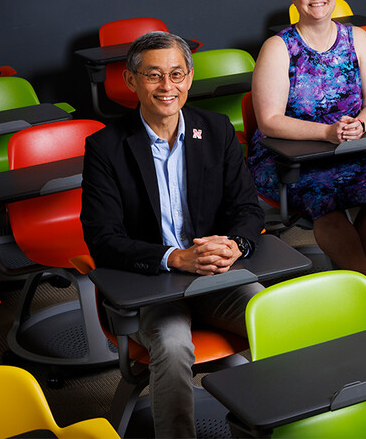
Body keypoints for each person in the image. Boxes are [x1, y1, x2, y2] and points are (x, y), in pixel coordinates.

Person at [80, 31, 264, 438]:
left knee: (273, 316)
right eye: (154, 76)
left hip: (217, 278)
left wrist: (235, 244)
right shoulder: (105, 147)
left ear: (190, 77)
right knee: (174, 345)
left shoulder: (215, 130)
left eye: (176, 74)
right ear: (131, 81)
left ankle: (274, 423)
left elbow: (248, 210)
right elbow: (102, 237)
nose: (167, 87)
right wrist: (173, 257)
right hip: (150, 285)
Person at [247, 0, 366, 312]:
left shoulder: (357, 38)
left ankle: (356, 291)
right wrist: (327, 131)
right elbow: (269, 120)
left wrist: (359, 124)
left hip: (346, 145)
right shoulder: (279, 47)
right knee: (325, 203)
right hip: (287, 157)